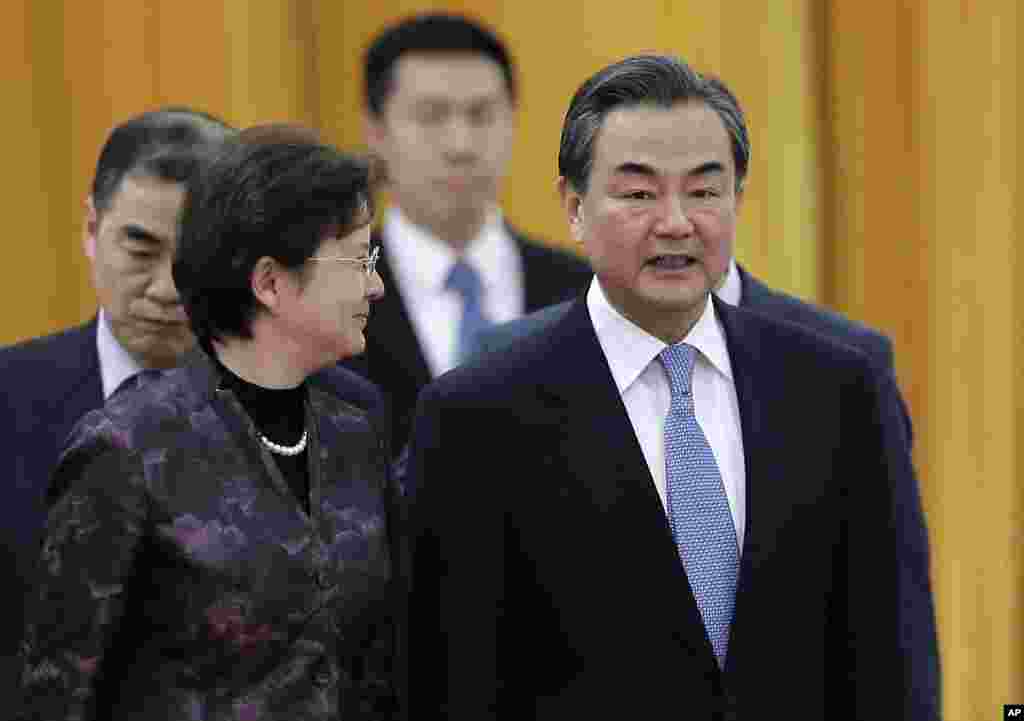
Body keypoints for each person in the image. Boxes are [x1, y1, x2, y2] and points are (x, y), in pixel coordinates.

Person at [407, 55, 923, 719]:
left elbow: (889, 656)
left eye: (704, 191)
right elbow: (454, 680)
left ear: (738, 196)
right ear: (573, 205)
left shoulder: (839, 389)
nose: (676, 222)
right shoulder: (475, 416)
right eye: (639, 193)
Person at [16, 128, 401, 718]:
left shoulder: (354, 431)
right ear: (270, 282)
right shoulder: (127, 446)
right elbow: (58, 695)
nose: (375, 285)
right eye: (356, 259)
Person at [350, 13, 592, 455]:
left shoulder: (584, 291)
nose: (460, 144)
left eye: (482, 115)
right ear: (376, 132)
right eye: (431, 116)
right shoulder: (337, 290)